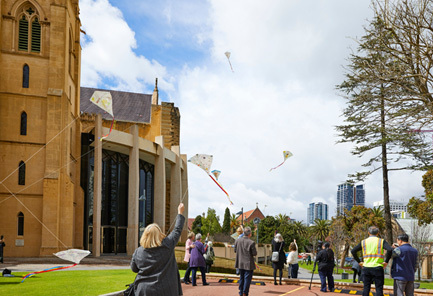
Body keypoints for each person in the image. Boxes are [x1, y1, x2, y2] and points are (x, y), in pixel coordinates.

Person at [130, 203, 185, 296]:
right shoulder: (168, 244)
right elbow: (177, 230)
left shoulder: (138, 252)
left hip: (144, 290)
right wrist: (180, 213)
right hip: (167, 290)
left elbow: (134, 268)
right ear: (159, 234)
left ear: (145, 235)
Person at [351, 226, 393, 296]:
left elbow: (353, 251)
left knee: (366, 288)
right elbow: (389, 249)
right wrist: (386, 262)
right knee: (379, 288)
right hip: (378, 267)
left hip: (366, 267)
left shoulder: (364, 242)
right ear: (378, 233)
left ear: (368, 233)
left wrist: (359, 262)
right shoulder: (381, 241)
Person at [234, 226, 257, 296]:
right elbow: (254, 253)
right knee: (247, 279)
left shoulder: (237, 240)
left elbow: (235, 250)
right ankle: (245, 292)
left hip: (240, 263)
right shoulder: (251, 242)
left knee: (241, 278)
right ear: (249, 233)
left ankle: (241, 292)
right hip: (248, 264)